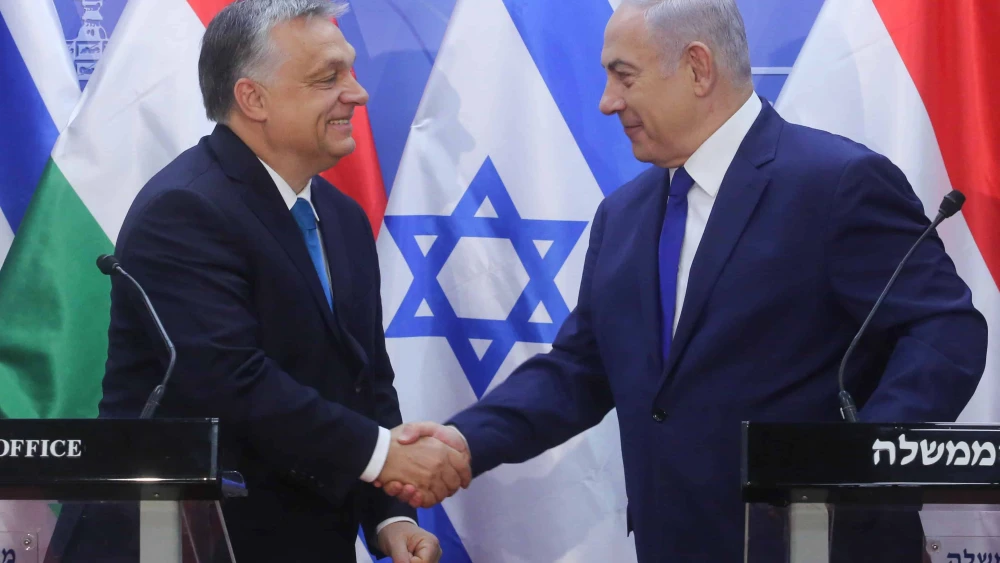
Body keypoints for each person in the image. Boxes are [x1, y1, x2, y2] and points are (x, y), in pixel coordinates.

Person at [377, 0, 989, 560]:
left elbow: (944, 331)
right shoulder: (622, 216)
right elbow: (579, 371)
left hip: (819, 542)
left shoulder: (837, 184)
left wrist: (861, 462)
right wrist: (464, 441)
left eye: (624, 76)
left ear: (697, 68)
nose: (607, 102)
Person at [97, 1, 468, 561]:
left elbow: (365, 381)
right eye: (328, 77)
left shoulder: (341, 217)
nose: (357, 93)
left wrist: (390, 515)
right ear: (253, 99)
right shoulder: (185, 211)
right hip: (193, 543)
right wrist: (383, 456)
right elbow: (230, 381)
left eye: (350, 71)